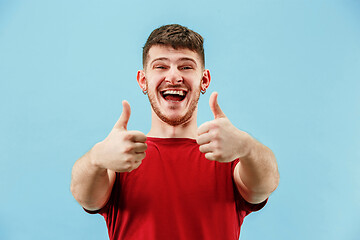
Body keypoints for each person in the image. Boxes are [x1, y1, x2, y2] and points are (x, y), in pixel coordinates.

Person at [70, 24, 279, 240]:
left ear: (204, 80)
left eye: (186, 67)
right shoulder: (122, 158)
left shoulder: (228, 156)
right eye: (160, 67)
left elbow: (265, 185)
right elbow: (85, 196)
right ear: (143, 80)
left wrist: (247, 147)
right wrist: (96, 158)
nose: (173, 77)